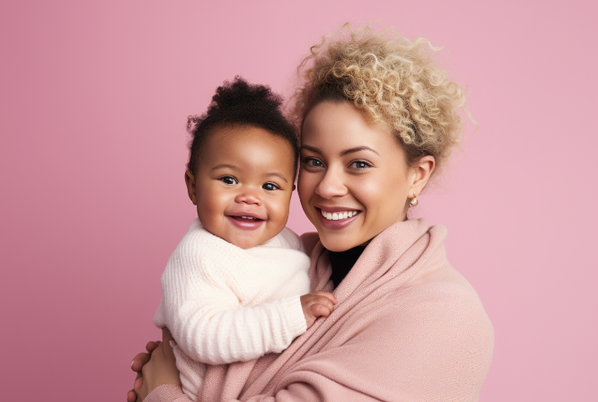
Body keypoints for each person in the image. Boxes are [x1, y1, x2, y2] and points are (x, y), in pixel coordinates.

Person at [129, 24, 494, 402]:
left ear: (417, 175)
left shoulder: (445, 315)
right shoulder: (283, 258)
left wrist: (162, 391)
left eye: (359, 164)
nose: (327, 187)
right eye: (314, 161)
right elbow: (199, 335)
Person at [151, 77, 337, 401]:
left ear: (290, 194)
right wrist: (292, 316)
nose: (250, 197)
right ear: (193, 186)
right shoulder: (199, 253)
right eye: (229, 179)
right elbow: (202, 334)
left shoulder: (291, 244)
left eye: (270, 186)